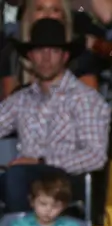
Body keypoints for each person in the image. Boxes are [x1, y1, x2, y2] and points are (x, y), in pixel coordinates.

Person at [0, 18, 105, 214]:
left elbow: (95, 156)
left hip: (66, 179)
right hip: (24, 178)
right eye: (40, 51)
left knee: (16, 176)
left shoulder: (86, 99)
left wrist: (41, 161)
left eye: (54, 51)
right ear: (30, 56)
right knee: (15, 177)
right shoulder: (22, 99)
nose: (46, 58)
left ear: (65, 56)